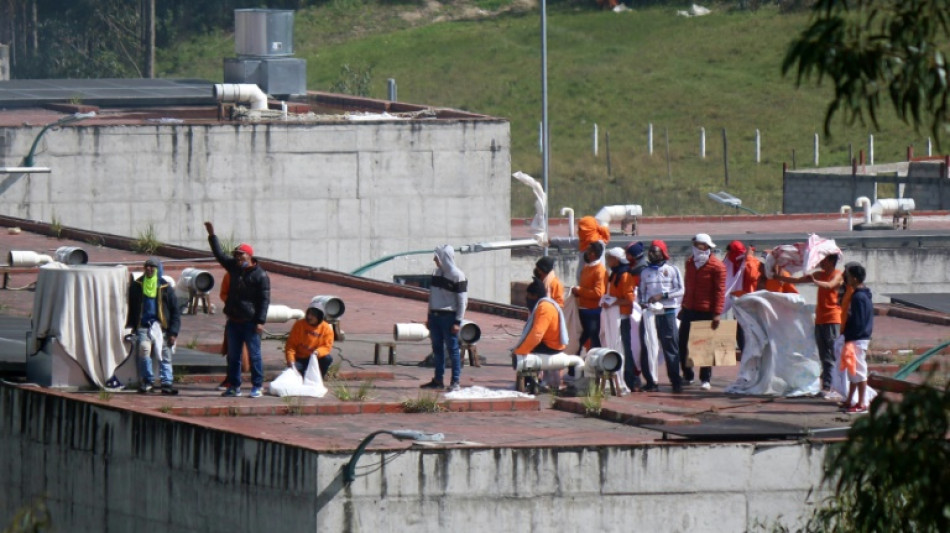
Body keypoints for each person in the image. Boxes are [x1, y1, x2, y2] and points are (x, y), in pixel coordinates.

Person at [205, 222, 270, 398]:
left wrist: (260, 321)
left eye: (240, 255)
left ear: (249, 256)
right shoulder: (234, 268)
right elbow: (219, 255)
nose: (237, 258)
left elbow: (264, 300)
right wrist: (212, 235)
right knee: (233, 356)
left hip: (250, 322)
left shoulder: (260, 275)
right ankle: (234, 386)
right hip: (234, 321)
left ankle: (257, 386)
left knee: (254, 355)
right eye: (236, 255)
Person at [775, 253, 842, 394]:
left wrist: (815, 282)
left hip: (832, 319)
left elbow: (830, 285)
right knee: (823, 354)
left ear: (831, 261)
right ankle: (827, 384)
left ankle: (829, 385)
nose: (821, 263)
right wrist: (779, 277)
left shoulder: (838, 274)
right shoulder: (819, 274)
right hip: (820, 319)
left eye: (824, 260)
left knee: (831, 354)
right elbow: (798, 280)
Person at [126, 257, 181, 395]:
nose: (149, 269)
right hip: (144, 325)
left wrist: (173, 332)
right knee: (144, 350)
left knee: (165, 354)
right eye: (147, 267)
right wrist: (131, 325)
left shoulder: (165, 287)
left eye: (153, 267)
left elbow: (175, 311)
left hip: (162, 327)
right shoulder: (137, 286)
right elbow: (131, 307)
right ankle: (147, 380)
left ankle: (167, 382)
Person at [678, 233, 726, 390]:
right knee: (682, 343)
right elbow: (688, 287)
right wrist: (683, 306)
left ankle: (705, 379)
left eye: (698, 245)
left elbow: (719, 291)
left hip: (705, 311)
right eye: (694, 245)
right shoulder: (690, 263)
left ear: (706, 246)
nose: (695, 248)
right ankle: (688, 375)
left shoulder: (717, 266)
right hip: (689, 309)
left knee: (704, 346)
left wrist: (717, 313)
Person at [638, 240, 685, 393]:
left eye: (655, 251)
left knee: (670, 347)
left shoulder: (672, 270)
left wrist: (663, 295)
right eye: (650, 251)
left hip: (668, 311)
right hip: (651, 312)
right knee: (649, 346)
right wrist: (644, 303)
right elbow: (641, 293)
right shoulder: (645, 272)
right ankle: (652, 381)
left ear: (662, 253)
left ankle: (675, 381)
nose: (651, 254)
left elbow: (680, 290)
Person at [420, 245, 468, 392]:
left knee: (453, 350)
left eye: (437, 257)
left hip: (449, 317)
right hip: (435, 316)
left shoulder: (457, 275)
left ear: (444, 257)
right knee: (437, 349)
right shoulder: (436, 273)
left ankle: (455, 381)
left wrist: (458, 321)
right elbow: (432, 296)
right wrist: (428, 315)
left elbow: (462, 301)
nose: (435, 260)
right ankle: (438, 379)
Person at [513, 279, 569, 392]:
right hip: (551, 343)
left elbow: (537, 334)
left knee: (524, 354)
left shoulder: (544, 308)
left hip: (552, 346)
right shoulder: (544, 305)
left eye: (529, 296)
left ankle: (531, 382)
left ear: (535, 295)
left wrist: (521, 350)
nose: (527, 299)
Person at [602, 246, 640, 391]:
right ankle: (617, 377)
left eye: (609, 258)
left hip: (622, 317)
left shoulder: (625, 276)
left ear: (616, 260)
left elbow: (629, 299)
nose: (607, 261)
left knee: (624, 348)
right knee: (614, 346)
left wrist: (613, 302)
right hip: (613, 316)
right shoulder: (614, 275)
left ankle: (628, 380)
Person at [840, 263, 872, 413]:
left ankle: (861, 403)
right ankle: (850, 400)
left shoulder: (858, 297)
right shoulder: (862, 294)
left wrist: (849, 336)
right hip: (856, 337)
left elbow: (858, 321)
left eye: (847, 274)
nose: (845, 277)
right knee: (852, 371)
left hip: (857, 338)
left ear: (853, 278)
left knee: (858, 371)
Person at [216, 271, 252, 391]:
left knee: (254, 352)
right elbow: (223, 294)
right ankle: (231, 380)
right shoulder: (229, 275)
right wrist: (233, 302)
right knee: (232, 352)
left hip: (249, 318)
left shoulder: (255, 275)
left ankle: (257, 383)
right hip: (233, 318)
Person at [284, 299, 335, 379]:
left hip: (315, 359)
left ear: (319, 316)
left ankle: (319, 379)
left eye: (313, 315)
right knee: (291, 373)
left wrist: (317, 352)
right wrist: (291, 361)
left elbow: (327, 347)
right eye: (309, 314)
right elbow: (291, 345)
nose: (309, 317)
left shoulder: (326, 328)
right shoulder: (299, 325)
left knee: (327, 358)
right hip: (299, 359)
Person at [571, 241, 607, 355]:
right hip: (583, 309)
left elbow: (598, 293)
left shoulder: (600, 270)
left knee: (594, 339)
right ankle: (574, 367)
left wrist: (580, 291)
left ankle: (598, 367)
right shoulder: (586, 268)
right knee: (579, 339)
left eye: (588, 251)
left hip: (593, 311)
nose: (586, 253)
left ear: (594, 254)